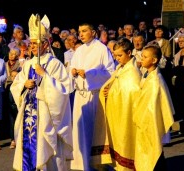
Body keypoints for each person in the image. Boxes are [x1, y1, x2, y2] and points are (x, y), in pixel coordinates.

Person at [10, 14, 73, 170]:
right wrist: (24, 84)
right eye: (30, 43)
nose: (32, 46)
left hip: (46, 114)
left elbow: (64, 89)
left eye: (35, 43)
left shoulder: (54, 64)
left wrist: (44, 76)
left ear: (45, 44)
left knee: (46, 149)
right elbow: (15, 85)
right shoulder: (28, 64)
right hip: (29, 112)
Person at [69, 22, 115, 171]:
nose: (80, 34)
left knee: (94, 131)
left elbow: (110, 72)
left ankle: (97, 163)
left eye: (84, 31)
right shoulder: (79, 50)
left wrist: (90, 74)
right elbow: (71, 68)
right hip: (80, 96)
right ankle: (81, 164)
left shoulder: (102, 49)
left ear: (93, 32)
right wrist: (73, 72)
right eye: (79, 31)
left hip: (94, 96)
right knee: (80, 131)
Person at [91, 37, 141, 170]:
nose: (117, 58)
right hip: (117, 114)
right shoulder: (120, 68)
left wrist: (111, 92)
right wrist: (108, 89)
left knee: (125, 145)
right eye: (115, 55)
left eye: (120, 55)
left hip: (127, 116)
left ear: (129, 53)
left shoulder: (133, 73)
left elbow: (131, 94)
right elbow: (116, 85)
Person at [133, 44, 175, 171]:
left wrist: (144, 120)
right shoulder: (148, 75)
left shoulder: (155, 81)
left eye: (145, 57)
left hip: (150, 121)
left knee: (154, 151)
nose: (142, 59)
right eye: (142, 56)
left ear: (154, 60)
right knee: (153, 151)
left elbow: (152, 105)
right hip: (145, 119)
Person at [3, 47, 22, 149]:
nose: (11, 55)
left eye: (14, 53)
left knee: (17, 114)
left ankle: (19, 138)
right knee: (10, 116)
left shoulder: (21, 64)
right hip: (6, 89)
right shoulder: (4, 64)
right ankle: (12, 139)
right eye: (10, 53)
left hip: (17, 89)